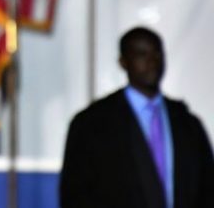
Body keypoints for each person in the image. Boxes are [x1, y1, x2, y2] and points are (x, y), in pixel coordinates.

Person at [59, 26, 214, 208]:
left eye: (157, 54)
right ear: (123, 62)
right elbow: (75, 195)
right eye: (141, 54)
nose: (152, 61)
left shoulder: (187, 123)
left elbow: (207, 189)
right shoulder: (91, 124)